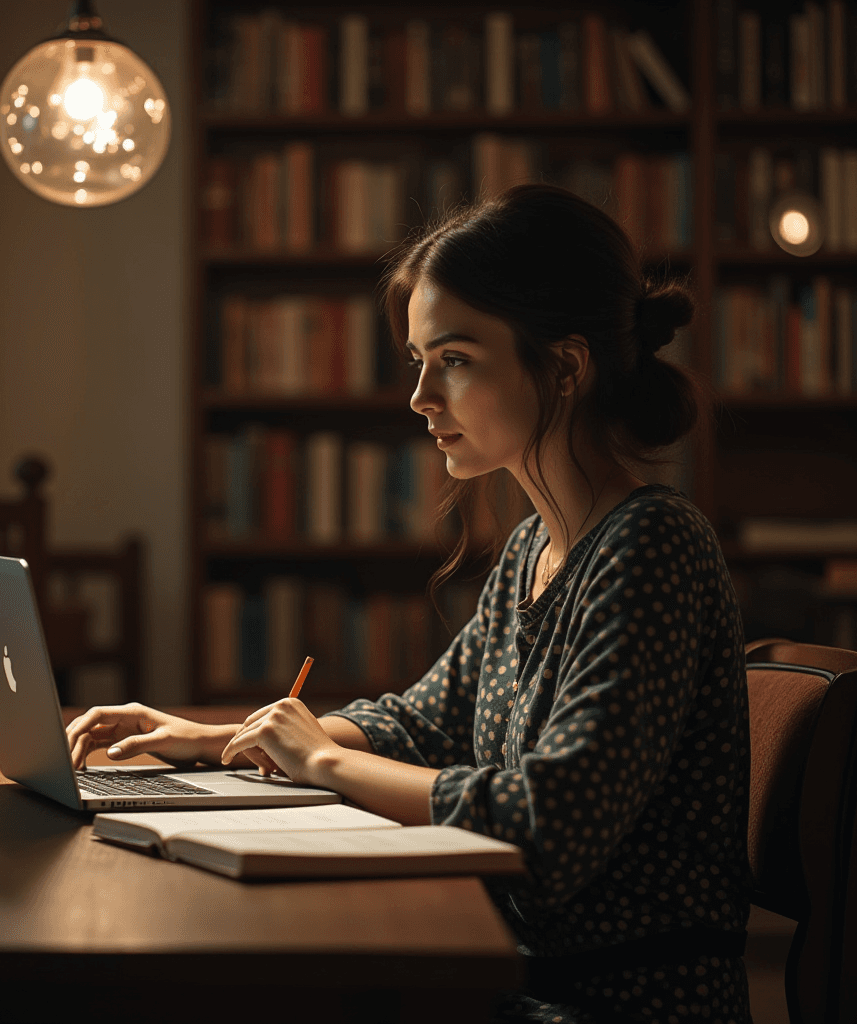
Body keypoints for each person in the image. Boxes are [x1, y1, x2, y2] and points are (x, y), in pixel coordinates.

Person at [67, 184, 751, 1024]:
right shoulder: (536, 548)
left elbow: (545, 827)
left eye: (455, 359)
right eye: (419, 362)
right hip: (519, 977)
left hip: (612, 1001)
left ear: (566, 366)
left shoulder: (652, 548)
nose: (422, 398)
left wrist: (319, 762)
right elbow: (420, 721)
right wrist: (223, 739)